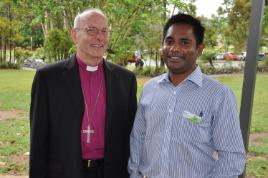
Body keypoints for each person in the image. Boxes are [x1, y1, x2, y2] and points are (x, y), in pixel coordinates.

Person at [128, 13, 246, 178]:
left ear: (199, 49)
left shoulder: (219, 95)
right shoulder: (150, 89)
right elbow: (137, 139)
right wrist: (134, 174)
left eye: (184, 42)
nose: (174, 48)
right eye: (169, 41)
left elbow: (233, 157)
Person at [30, 8, 137, 178]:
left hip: (111, 171)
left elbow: (131, 136)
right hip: (64, 172)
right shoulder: (48, 78)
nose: (99, 37)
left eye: (104, 31)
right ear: (75, 34)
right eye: (91, 30)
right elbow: (38, 138)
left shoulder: (126, 80)